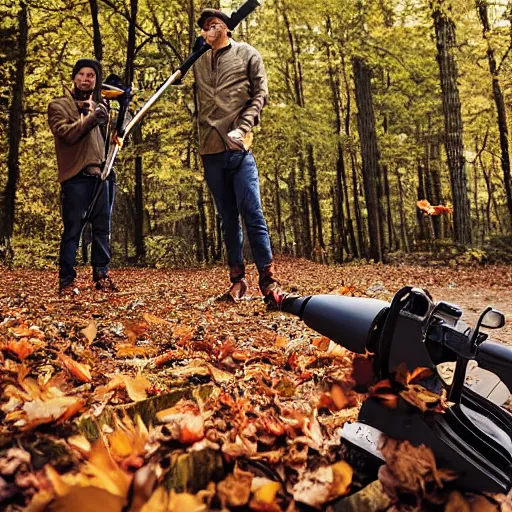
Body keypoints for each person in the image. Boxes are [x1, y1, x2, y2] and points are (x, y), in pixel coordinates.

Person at [194, 8, 284, 304]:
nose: (210, 27)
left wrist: (244, 127)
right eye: (205, 25)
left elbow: (261, 93)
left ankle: (268, 281)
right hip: (210, 149)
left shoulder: (247, 53)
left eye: (215, 22)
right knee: (226, 218)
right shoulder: (199, 61)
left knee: (252, 211)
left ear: (227, 28)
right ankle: (237, 281)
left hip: (238, 146)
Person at [48, 58, 116, 294]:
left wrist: (109, 116)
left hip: (101, 177)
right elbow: (66, 134)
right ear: (74, 77)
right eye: (82, 74)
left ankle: (101, 275)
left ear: (96, 80)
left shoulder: (100, 107)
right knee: (73, 230)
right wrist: (90, 118)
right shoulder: (59, 106)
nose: (85, 79)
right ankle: (66, 280)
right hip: (76, 177)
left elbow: (114, 135)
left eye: (91, 76)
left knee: (101, 229)